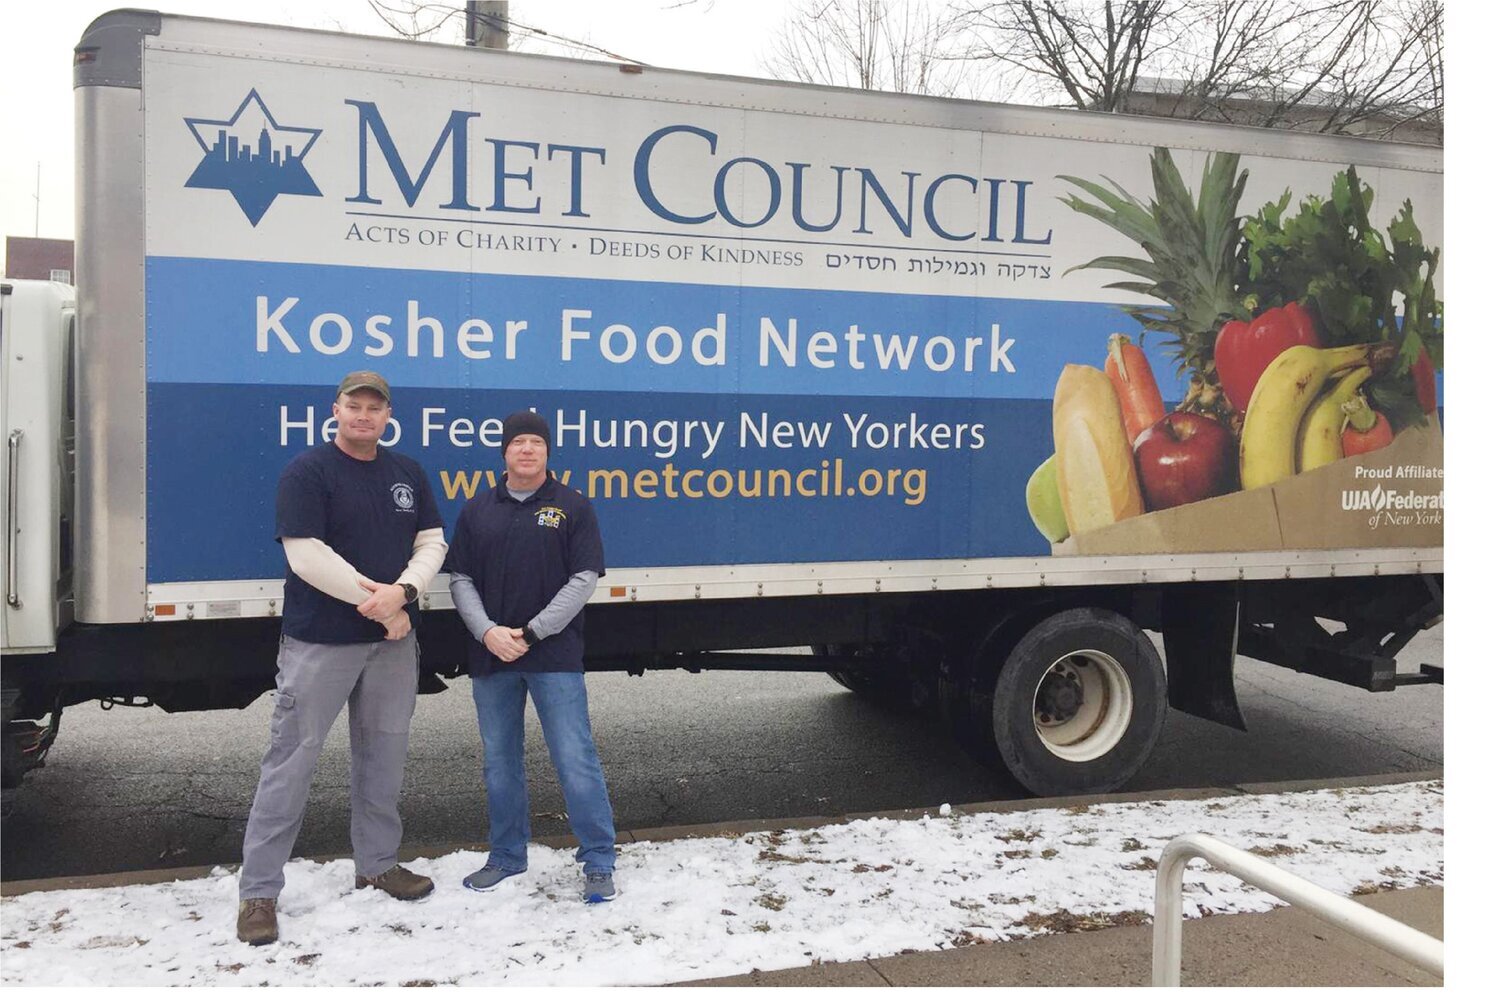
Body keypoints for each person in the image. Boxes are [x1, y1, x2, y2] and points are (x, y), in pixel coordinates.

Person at [236, 371, 448, 946]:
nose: (363, 415)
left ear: (387, 416)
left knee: (383, 757)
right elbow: (307, 556)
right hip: (319, 644)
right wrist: (382, 606)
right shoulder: (308, 472)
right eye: (353, 406)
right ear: (336, 411)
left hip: (392, 647)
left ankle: (378, 863)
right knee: (291, 762)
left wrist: (402, 595)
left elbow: (433, 542)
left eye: (374, 408)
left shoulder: (406, 472)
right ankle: (258, 892)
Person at [447, 410, 617, 903]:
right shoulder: (478, 510)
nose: (526, 449)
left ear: (547, 452)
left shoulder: (572, 506)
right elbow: (460, 579)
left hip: (554, 655)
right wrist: (487, 633)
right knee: (500, 762)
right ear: (504, 452)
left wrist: (533, 631)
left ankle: (599, 860)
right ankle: (506, 855)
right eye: (517, 442)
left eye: (535, 443)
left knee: (574, 758)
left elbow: (583, 578)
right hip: (493, 656)